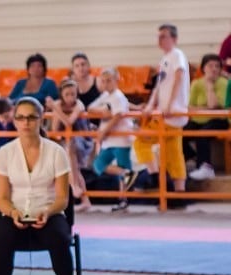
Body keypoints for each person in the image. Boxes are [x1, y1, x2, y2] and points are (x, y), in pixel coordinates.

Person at [0, 97, 76, 275]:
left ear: (41, 120)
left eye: (31, 117)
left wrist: (48, 212)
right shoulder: (4, 153)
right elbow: (1, 199)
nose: (25, 122)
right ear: (14, 121)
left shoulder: (56, 152)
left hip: (49, 213)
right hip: (15, 214)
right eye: (20, 117)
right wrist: (12, 213)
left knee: (59, 237)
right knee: (3, 239)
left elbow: (63, 198)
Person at [133, 23, 190, 205]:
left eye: (164, 36)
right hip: (167, 114)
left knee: (141, 141)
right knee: (174, 154)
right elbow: (159, 86)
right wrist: (150, 105)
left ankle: (156, 176)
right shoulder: (164, 59)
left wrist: (171, 103)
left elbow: (179, 76)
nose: (160, 39)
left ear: (174, 39)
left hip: (172, 112)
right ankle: (179, 194)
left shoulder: (177, 55)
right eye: (159, 36)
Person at [87, 68, 138, 211]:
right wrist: (103, 112)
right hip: (110, 140)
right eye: (103, 81)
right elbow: (90, 108)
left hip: (121, 138)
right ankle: (126, 174)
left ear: (116, 80)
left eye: (109, 80)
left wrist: (103, 131)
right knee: (98, 164)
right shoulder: (105, 96)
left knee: (121, 165)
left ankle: (123, 199)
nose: (106, 84)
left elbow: (118, 115)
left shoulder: (118, 96)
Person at [49, 78, 92, 210]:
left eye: (73, 94)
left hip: (82, 141)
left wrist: (55, 108)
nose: (70, 97)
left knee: (70, 148)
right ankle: (86, 201)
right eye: (67, 94)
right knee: (72, 165)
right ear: (61, 94)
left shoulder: (79, 104)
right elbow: (55, 130)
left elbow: (69, 122)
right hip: (64, 142)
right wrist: (56, 109)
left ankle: (74, 186)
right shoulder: (58, 104)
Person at [184, 53, 228, 181]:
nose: (214, 69)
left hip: (219, 119)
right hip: (199, 119)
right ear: (203, 68)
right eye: (210, 66)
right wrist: (205, 108)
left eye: (217, 66)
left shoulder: (224, 83)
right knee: (179, 133)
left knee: (202, 134)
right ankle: (192, 157)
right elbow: (189, 107)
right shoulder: (196, 83)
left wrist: (209, 87)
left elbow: (214, 106)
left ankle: (206, 168)